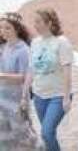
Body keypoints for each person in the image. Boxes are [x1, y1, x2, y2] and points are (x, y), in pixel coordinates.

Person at [23, 8, 73, 151]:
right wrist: (24, 93)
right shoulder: (35, 42)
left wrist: (66, 97)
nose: (35, 25)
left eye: (38, 21)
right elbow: (32, 69)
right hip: (39, 95)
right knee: (48, 135)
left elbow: (67, 71)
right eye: (34, 22)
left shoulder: (61, 42)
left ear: (49, 23)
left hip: (57, 95)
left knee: (46, 132)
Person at [0, 12, 39, 150]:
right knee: (4, 135)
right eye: (1, 28)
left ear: (17, 29)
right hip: (2, 98)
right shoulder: (3, 47)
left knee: (22, 134)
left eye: (7, 28)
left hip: (17, 99)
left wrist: (2, 76)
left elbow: (24, 76)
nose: (3, 31)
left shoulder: (23, 50)